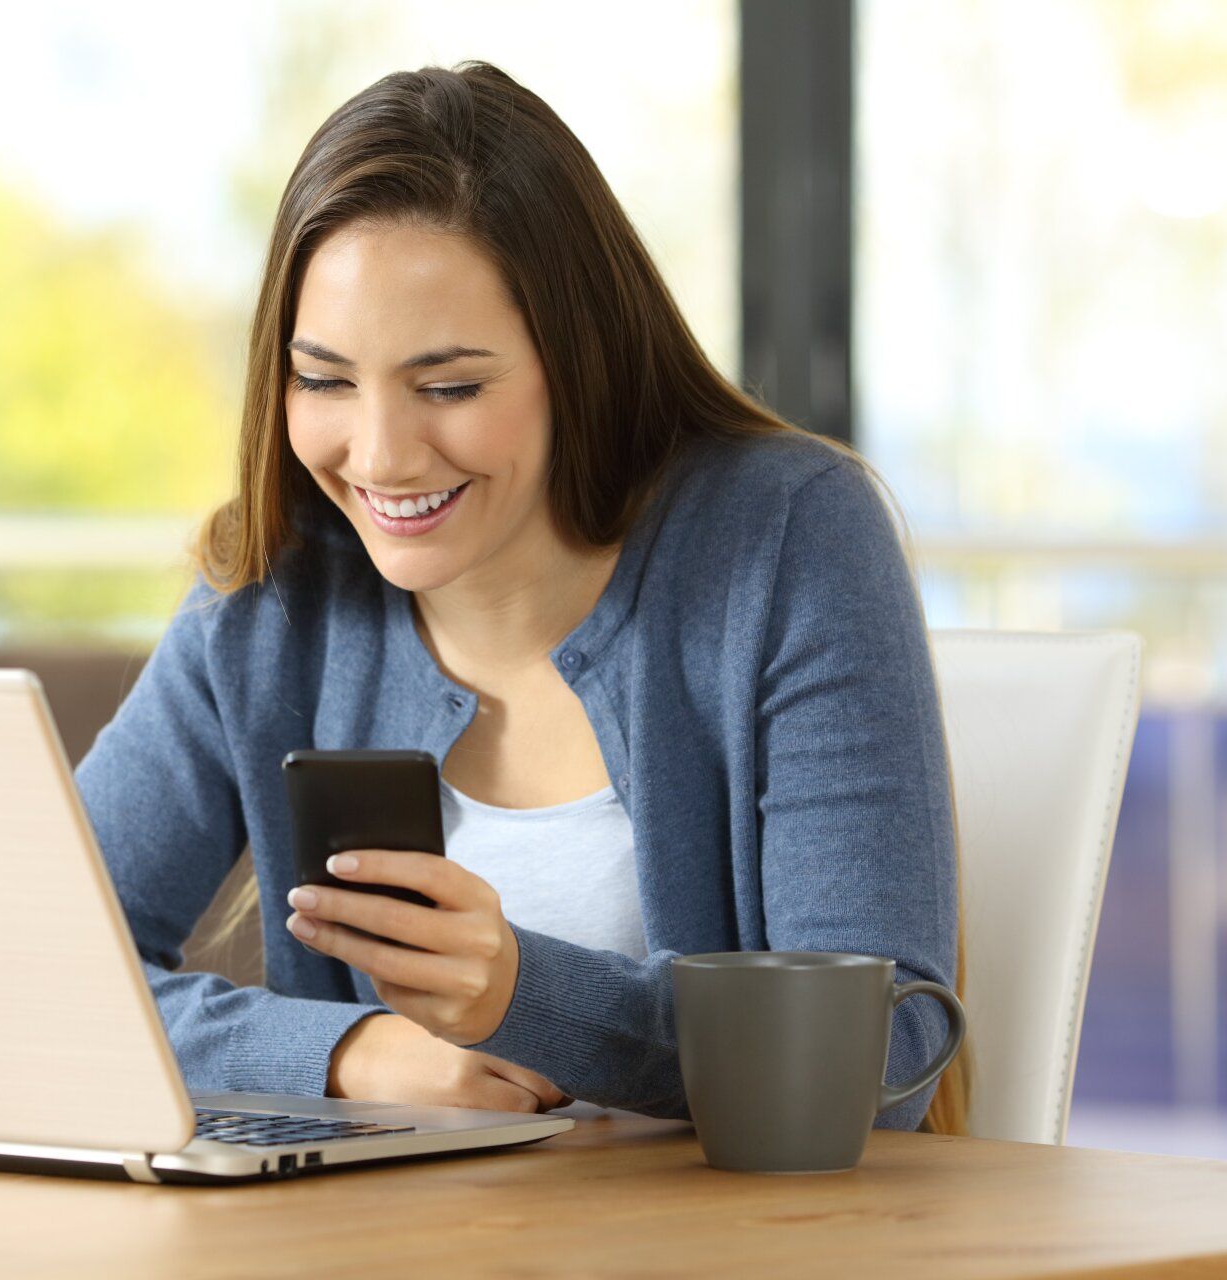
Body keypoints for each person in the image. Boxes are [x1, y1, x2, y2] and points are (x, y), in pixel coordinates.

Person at [73, 60, 972, 1134]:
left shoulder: (786, 537)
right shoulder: (276, 589)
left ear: (577, 361)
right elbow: (41, 963)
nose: (381, 453)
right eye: (323, 379)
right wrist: (348, 1050)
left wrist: (522, 997)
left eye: (449, 386)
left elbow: (884, 1054)